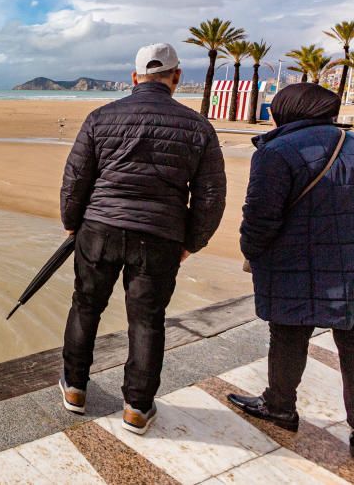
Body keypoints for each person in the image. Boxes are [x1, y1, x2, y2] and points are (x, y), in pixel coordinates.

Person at [58, 43, 227, 434]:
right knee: (147, 321)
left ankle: (75, 389)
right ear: (176, 77)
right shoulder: (198, 126)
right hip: (160, 234)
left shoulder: (101, 117)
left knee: (86, 306)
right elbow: (211, 195)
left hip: (99, 227)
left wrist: (72, 223)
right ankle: (137, 407)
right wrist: (192, 241)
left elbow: (75, 179)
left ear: (134, 78)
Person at [228, 83, 354, 456]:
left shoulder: (277, 151)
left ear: (286, 111)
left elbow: (260, 217)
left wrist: (250, 250)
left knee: (287, 338)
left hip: (293, 265)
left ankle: (279, 407)